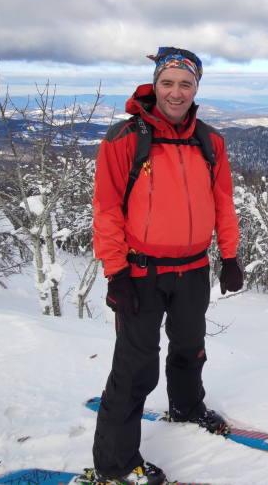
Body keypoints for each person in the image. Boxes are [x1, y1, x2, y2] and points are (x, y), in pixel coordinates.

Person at [82, 47, 244, 485]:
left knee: (190, 348)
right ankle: (115, 467)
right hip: (140, 272)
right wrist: (116, 273)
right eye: (168, 82)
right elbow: (107, 209)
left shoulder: (210, 141)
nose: (176, 92)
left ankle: (187, 407)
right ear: (155, 84)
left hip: (193, 269)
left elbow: (223, 203)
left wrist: (230, 256)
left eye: (185, 84)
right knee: (136, 367)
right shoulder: (125, 139)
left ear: (196, 89)